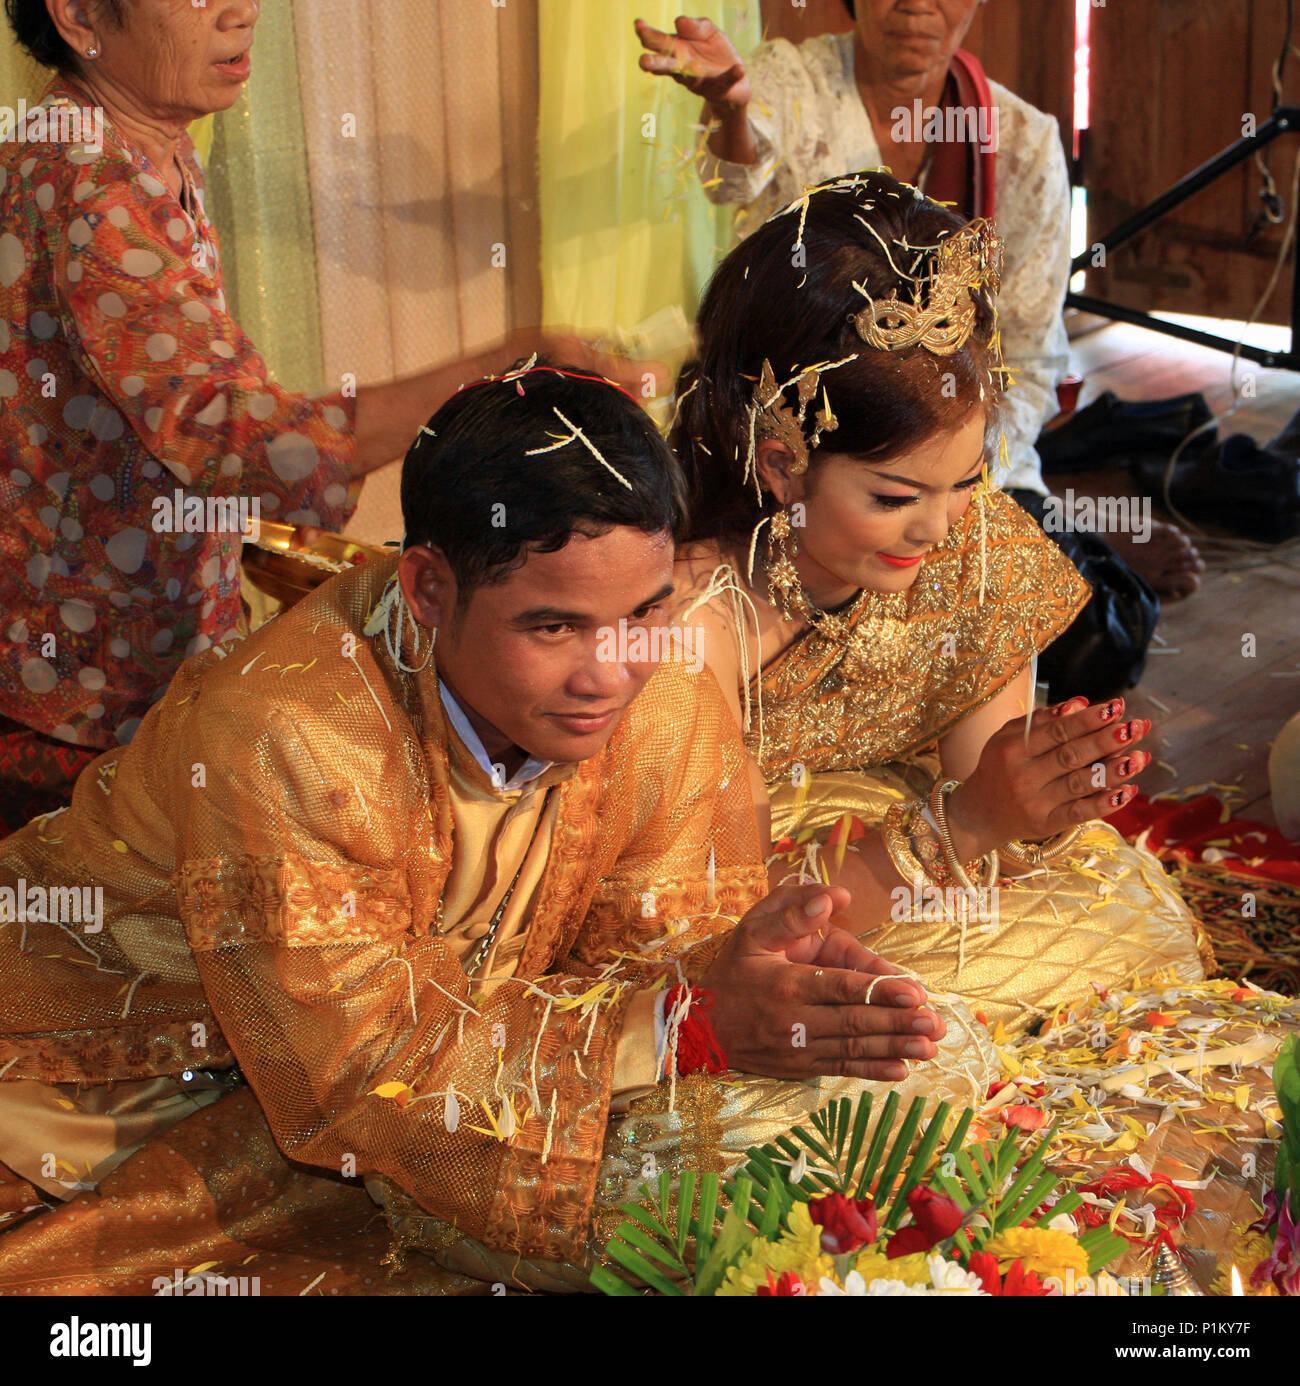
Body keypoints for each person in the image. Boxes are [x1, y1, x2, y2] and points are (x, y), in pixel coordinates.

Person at [0, 363, 964, 1291]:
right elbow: (354, 1083)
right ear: (427, 590)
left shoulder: (659, 690)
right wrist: (685, 1023)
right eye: (552, 628)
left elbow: (646, 955)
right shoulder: (284, 735)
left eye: (645, 613)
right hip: (129, 1084)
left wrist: (738, 969)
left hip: (411, 1068)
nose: (610, 674)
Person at [0, 0, 642, 832]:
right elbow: (243, 446)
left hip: (124, 657)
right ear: (82, 12)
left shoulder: (131, 145)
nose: (240, 12)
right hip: (80, 692)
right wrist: (502, 364)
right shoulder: (86, 176)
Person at [668, 171, 1210, 1029]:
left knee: (1134, 917)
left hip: (910, 859)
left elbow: (982, 791)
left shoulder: (976, 544)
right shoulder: (693, 621)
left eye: (962, 481)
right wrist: (965, 823)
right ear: (780, 464)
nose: (935, 529)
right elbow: (709, 927)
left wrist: (1035, 792)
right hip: (773, 898)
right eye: (892, 497)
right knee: (884, 1031)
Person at [635, 4, 1205, 685]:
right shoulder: (790, 81)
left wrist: (948, 480)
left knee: (1093, 650)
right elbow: (729, 178)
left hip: (953, 463)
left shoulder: (1020, 139)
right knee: (726, 629)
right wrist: (731, 110)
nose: (914, 3)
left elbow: (1027, 355)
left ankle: (1056, 515)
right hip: (801, 446)